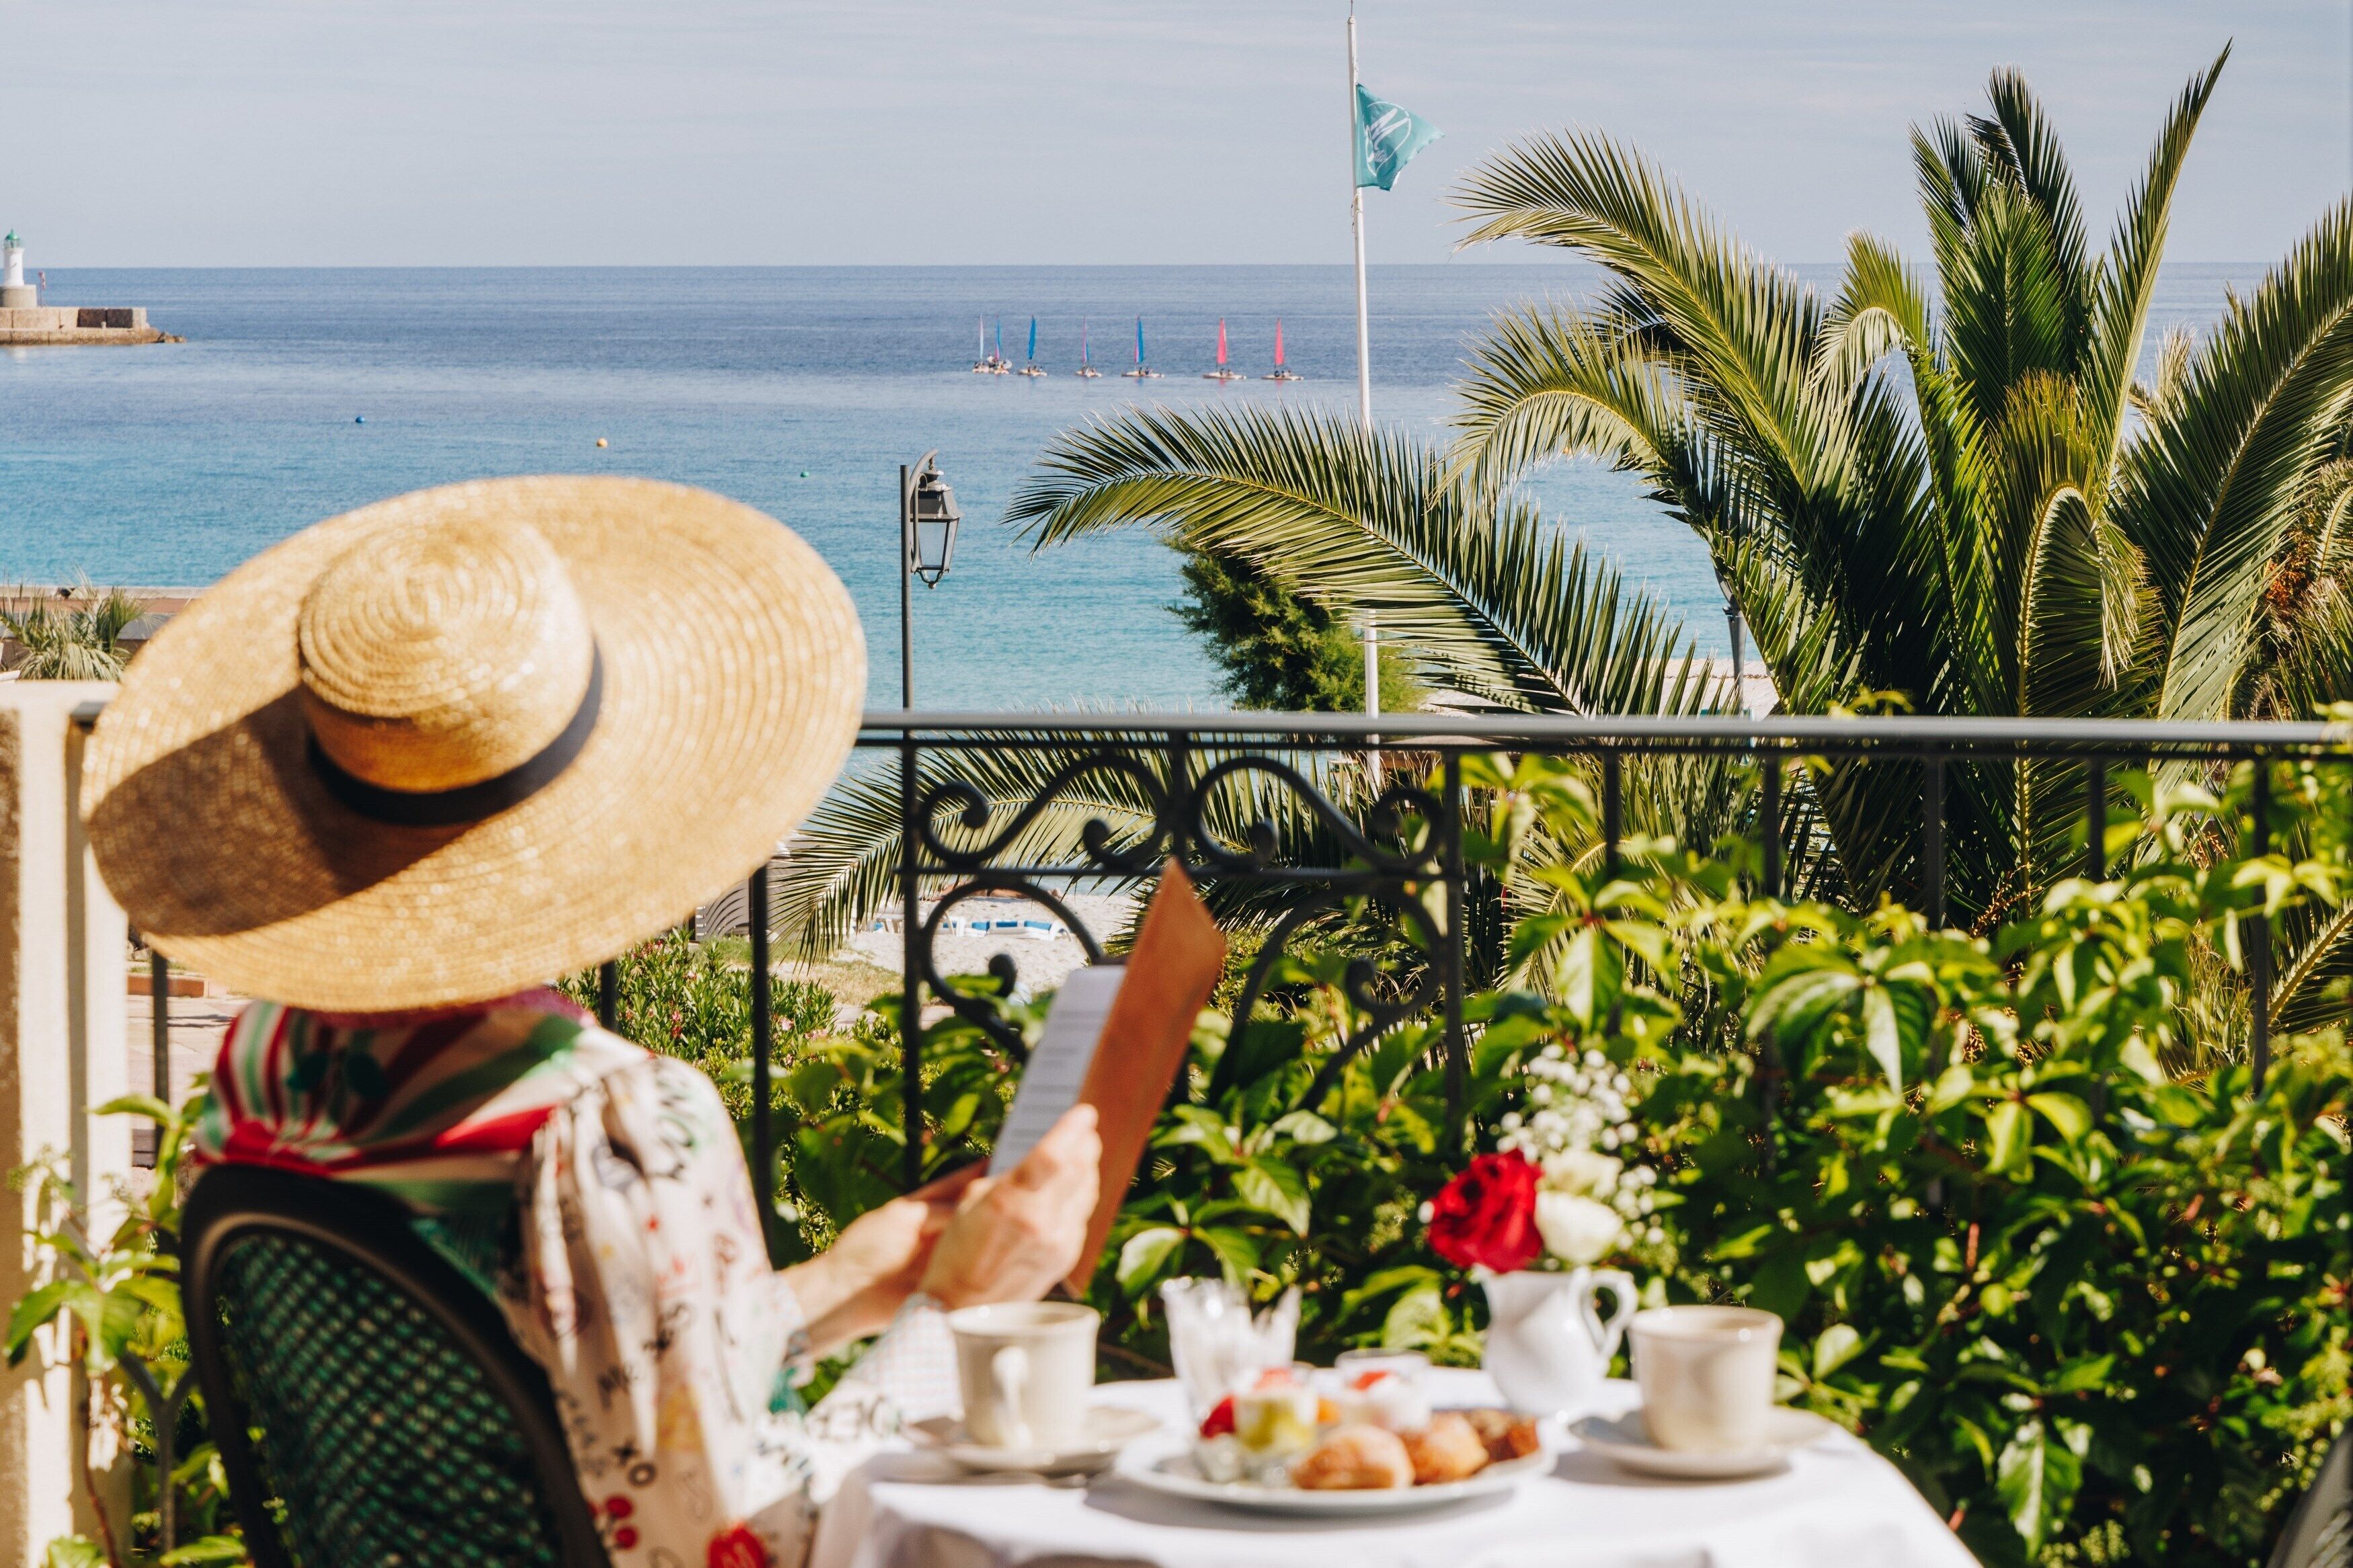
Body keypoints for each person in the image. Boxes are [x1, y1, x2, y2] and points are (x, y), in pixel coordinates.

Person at [81, 477, 1102, 1568]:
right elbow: (750, 1542)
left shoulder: (265, 1067)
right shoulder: (607, 1127)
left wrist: (846, 1283)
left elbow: (572, 1385)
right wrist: (953, 1312)